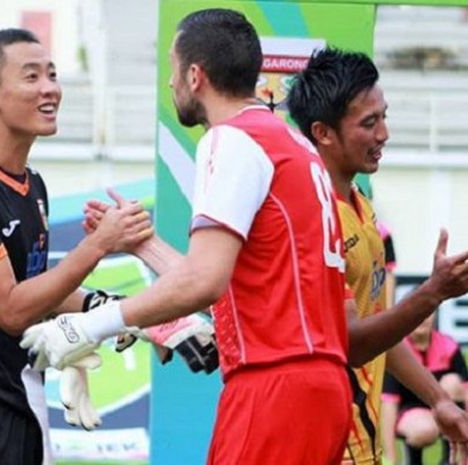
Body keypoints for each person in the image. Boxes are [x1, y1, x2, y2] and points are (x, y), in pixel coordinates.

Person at [23, 9, 354, 465]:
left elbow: (204, 282)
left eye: (173, 70)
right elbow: (237, 283)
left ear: (195, 75)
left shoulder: (231, 140)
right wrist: (144, 244)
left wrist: (89, 324)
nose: (170, 83)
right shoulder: (291, 142)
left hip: (276, 385)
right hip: (315, 385)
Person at [0, 28, 153, 465]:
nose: (50, 89)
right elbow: (11, 309)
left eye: (53, 75)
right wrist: (98, 244)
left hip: (23, 401)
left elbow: (37, 287)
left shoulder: (33, 185)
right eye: (31, 77)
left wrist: (110, 309)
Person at [287, 47, 468, 465]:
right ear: (323, 132)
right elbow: (352, 343)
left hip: (361, 434)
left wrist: (438, 399)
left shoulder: (359, 204)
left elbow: (375, 325)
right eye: (370, 123)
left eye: (384, 116)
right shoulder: (315, 219)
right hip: (331, 439)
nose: (384, 133)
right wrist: (432, 294)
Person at [382, 312, 468, 465]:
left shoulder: (449, 345)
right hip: (410, 415)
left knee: (453, 382)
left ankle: (449, 459)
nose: (422, 319)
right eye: (418, 313)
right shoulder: (397, 352)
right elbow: (389, 405)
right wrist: (391, 458)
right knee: (424, 429)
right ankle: (413, 461)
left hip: (444, 411)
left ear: (434, 315)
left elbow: (465, 391)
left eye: (427, 313)